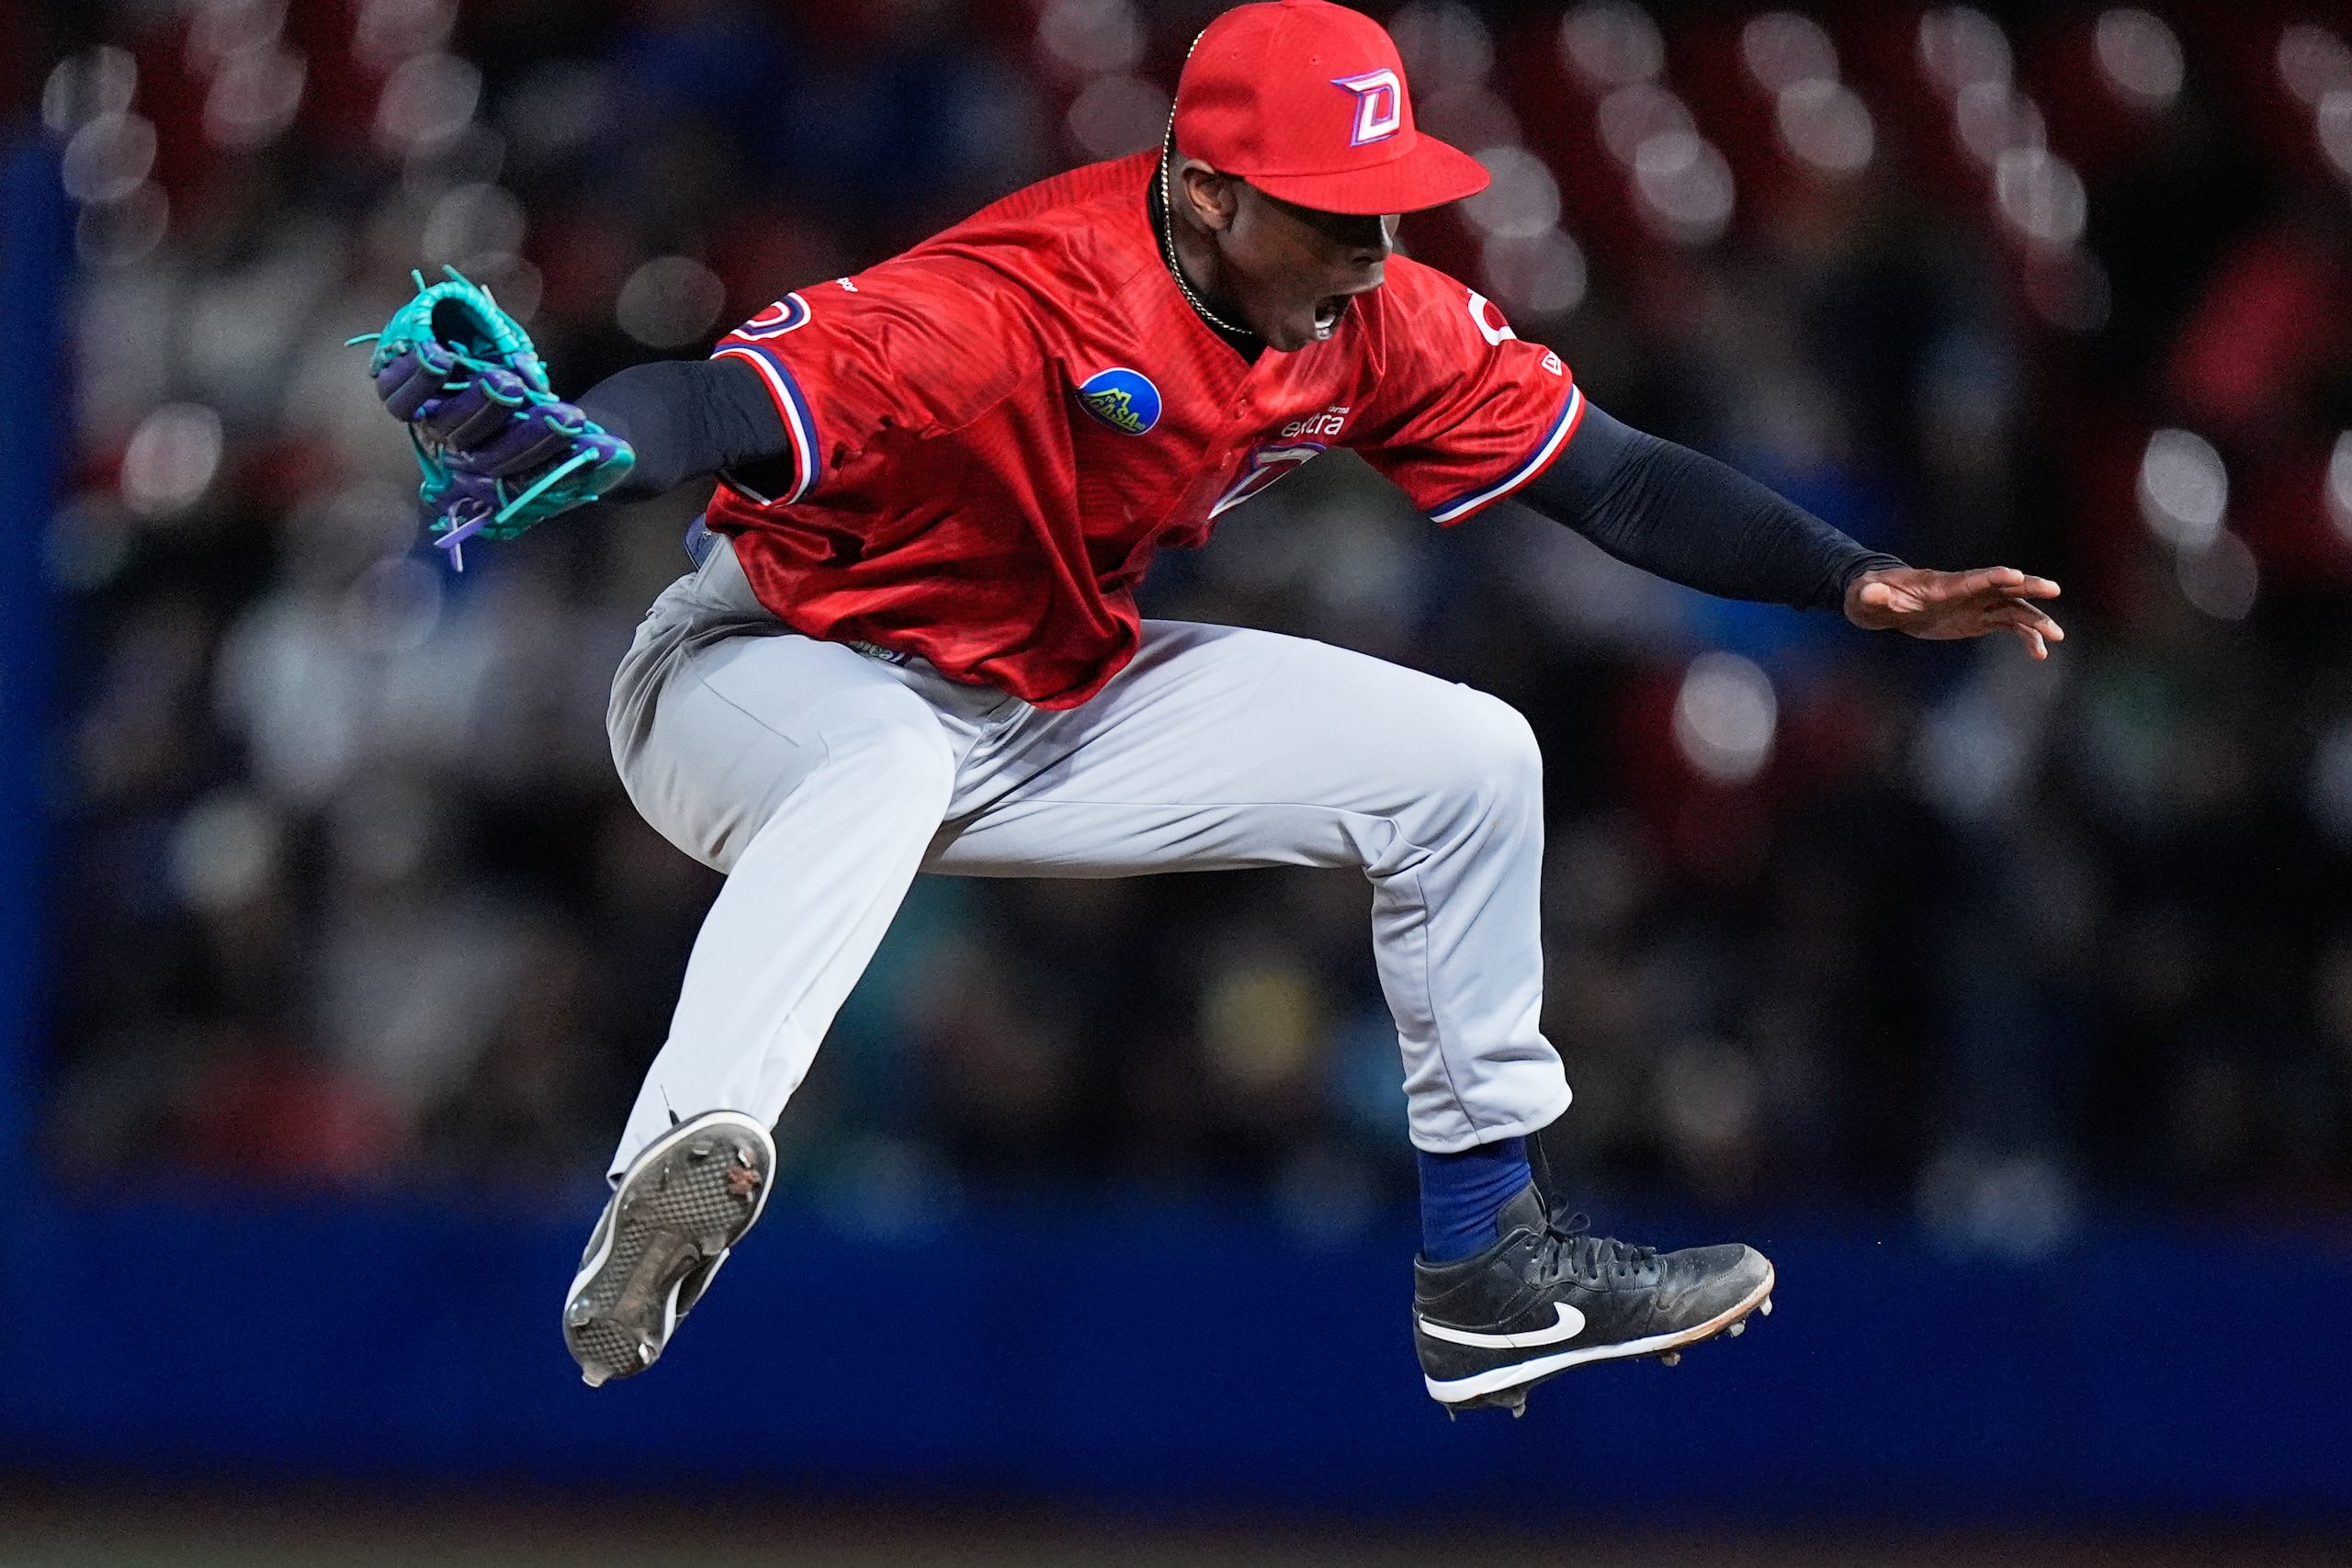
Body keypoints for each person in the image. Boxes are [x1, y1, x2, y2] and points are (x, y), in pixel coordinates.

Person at [372, 0, 2063, 1416]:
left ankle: (1490, 1260)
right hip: (755, 678)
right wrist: (602, 443)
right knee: (879, 756)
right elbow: (729, 398)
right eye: (1336, 210)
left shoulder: (1363, 315)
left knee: (1473, 761)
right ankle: (676, 1165)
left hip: (1048, 697)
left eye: (1387, 204)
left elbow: (1608, 479)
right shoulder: (1013, 304)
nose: (1374, 244)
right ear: (1201, 188)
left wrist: (1853, 578)